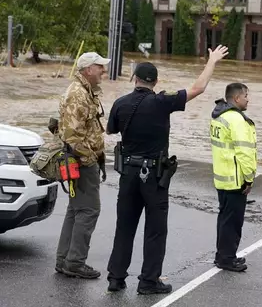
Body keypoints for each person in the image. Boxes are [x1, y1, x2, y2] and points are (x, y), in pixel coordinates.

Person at [105, 45, 229, 295]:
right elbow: (198, 88)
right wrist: (212, 60)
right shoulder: (163, 101)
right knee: (155, 229)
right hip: (154, 177)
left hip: (128, 174)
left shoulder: (120, 103)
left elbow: (109, 131)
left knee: (125, 227)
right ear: (156, 81)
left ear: (134, 79)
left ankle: (116, 278)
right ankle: (148, 281)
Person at [55, 51, 111, 279]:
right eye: (100, 67)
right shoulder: (78, 94)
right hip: (81, 161)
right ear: (88, 70)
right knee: (88, 211)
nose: (103, 71)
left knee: (76, 210)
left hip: (77, 160)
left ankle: (65, 260)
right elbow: (72, 135)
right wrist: (91, 161)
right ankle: (75, 262)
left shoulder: (84, 91)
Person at [210, 83, 256, 272]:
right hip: (236, 179)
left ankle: (222, 254)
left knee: (225, 219)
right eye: (246, 95)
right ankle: (227, 258)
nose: (248, 99)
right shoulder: (236, 120)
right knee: (233, 222)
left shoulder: (219, 116)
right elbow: (244, 151)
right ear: (236, 98)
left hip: (222, 177)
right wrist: (249, 178)